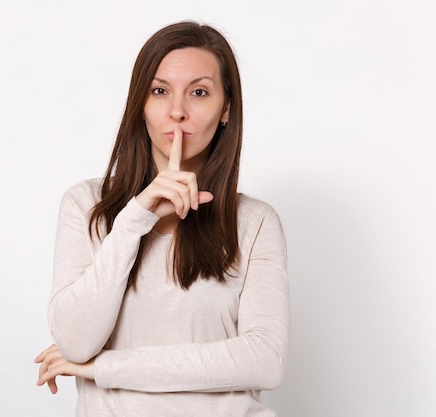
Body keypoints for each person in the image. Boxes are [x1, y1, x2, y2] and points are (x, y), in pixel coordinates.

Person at [34, 20, 290, 417]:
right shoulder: (87, 205)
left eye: (199, 93)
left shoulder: (254, 222)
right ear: (141, 104)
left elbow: (263, 360)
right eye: (159, 91)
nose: (177, 112)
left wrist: (105, 368)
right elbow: (74, 342)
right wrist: (136, 218)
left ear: (225, 109)